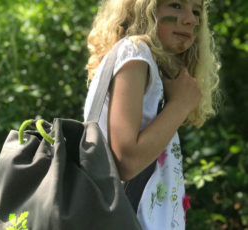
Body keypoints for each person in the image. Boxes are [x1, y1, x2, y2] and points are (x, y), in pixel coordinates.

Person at [84, 0, 220, 229]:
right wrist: (180, 104)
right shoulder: (135, 51)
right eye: (175, 5)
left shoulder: (148, 63)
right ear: (141, 10)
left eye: (196, 11)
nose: (191, 19)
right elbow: (126, 162)